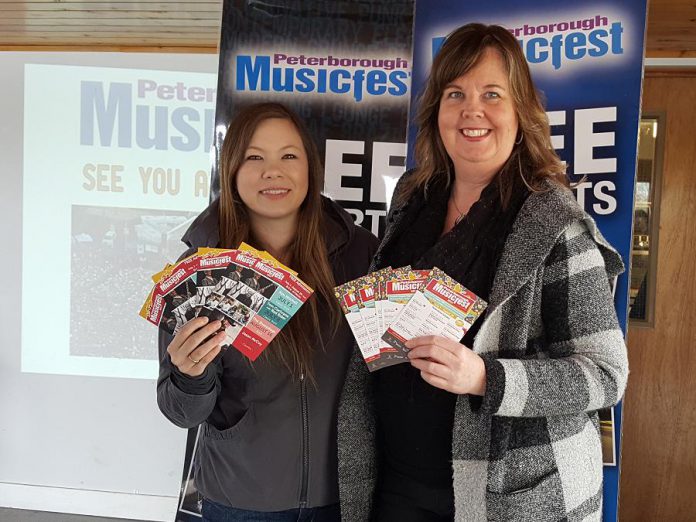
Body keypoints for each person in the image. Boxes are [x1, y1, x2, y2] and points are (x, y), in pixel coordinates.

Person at [337, 23, 628, 522]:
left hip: (504, 499)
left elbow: (604, 375)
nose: (472, 110)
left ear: (520, 113)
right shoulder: (411, 197)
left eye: (492, 94)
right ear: (437, 112)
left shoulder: (555, 222)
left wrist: (485, 377)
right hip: (395, 483)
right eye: (456, 94)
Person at [156, 102, 378, 521]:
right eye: (254, 157)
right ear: (232, 171)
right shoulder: (201, 270)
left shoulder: (361, 252)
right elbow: (180, 411)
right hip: (240, 498)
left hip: (345, 496)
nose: (272, 172)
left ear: (311, 168)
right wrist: (190, 376)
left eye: (288, 156)